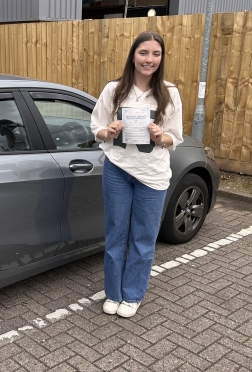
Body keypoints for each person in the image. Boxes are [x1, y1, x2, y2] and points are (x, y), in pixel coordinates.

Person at [90, 31, 183, 318]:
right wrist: (110, 131)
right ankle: (114, 292)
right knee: (116, 233)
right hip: (118, 169)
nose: (149, 59)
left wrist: (160, 137)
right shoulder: (114, 89)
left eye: (156, 54)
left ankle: (133, 295)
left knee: (143, 238)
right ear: (133, 55)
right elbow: (97, 128)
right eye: (144, 52)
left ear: (161, 58)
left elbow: (175, 137)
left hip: (152, 174)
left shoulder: (169, 92)